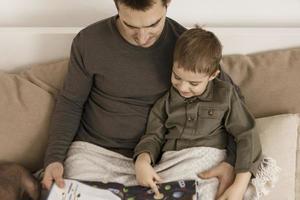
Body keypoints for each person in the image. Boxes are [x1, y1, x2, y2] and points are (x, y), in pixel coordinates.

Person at [42, 0, 241, 197]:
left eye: (153, 24)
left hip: (169, 159)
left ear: (167, 5)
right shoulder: (88, 41)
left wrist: (231, 161)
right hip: (96, 154)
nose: (143, 37)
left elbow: (234, 102)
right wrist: (54, 159)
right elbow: (71, 103)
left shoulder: (185, 45)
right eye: (130, 26)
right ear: (117, 5)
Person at [133, 27, 279, 200]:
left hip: (211, 160)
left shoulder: (225, 94)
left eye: (194, 83)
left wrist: (239, 184)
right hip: (173, 161)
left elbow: (246, 134)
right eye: (177, 77)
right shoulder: (164, 102)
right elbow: (153, 136)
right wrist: (142, 161)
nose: (182, 87)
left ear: (213, 75)